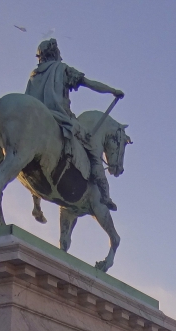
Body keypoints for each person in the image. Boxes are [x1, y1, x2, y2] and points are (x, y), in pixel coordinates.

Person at [25, 38, 124, 211]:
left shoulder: (34, 74)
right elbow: (90, 84)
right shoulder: (61, 69)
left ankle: (36, 202)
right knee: (93, 152)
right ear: (55, 54)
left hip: (34, 117)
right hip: (59, 116)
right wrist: (112, 91)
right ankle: (104, 196)